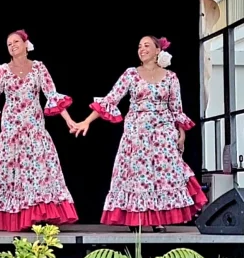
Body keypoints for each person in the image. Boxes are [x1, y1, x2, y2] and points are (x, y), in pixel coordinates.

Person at [70, 36, 208, 232]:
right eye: (139, 46)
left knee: (162, 175)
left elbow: (176, 109)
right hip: (137, 133)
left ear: (158, 50)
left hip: (163, 132)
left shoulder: (171, 77)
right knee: (137, 175)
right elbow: (111, 99)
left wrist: (182, 133)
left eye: (146, 46)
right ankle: (136, 219)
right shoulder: (131, 74)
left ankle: (158, 218)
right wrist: (87, 121)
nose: (142, 49)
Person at [0, 30, 78, 231]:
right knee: (12, 176)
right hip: (11, 132)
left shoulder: (38, 68)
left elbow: (51, 94)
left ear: (26, 44)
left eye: (16, 42)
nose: (12, 46)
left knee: (38, 174)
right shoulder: (3, 70)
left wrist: (69, 121)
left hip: (34, 130)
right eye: (9, 44)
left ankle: (39, 216)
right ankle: (14, 218)